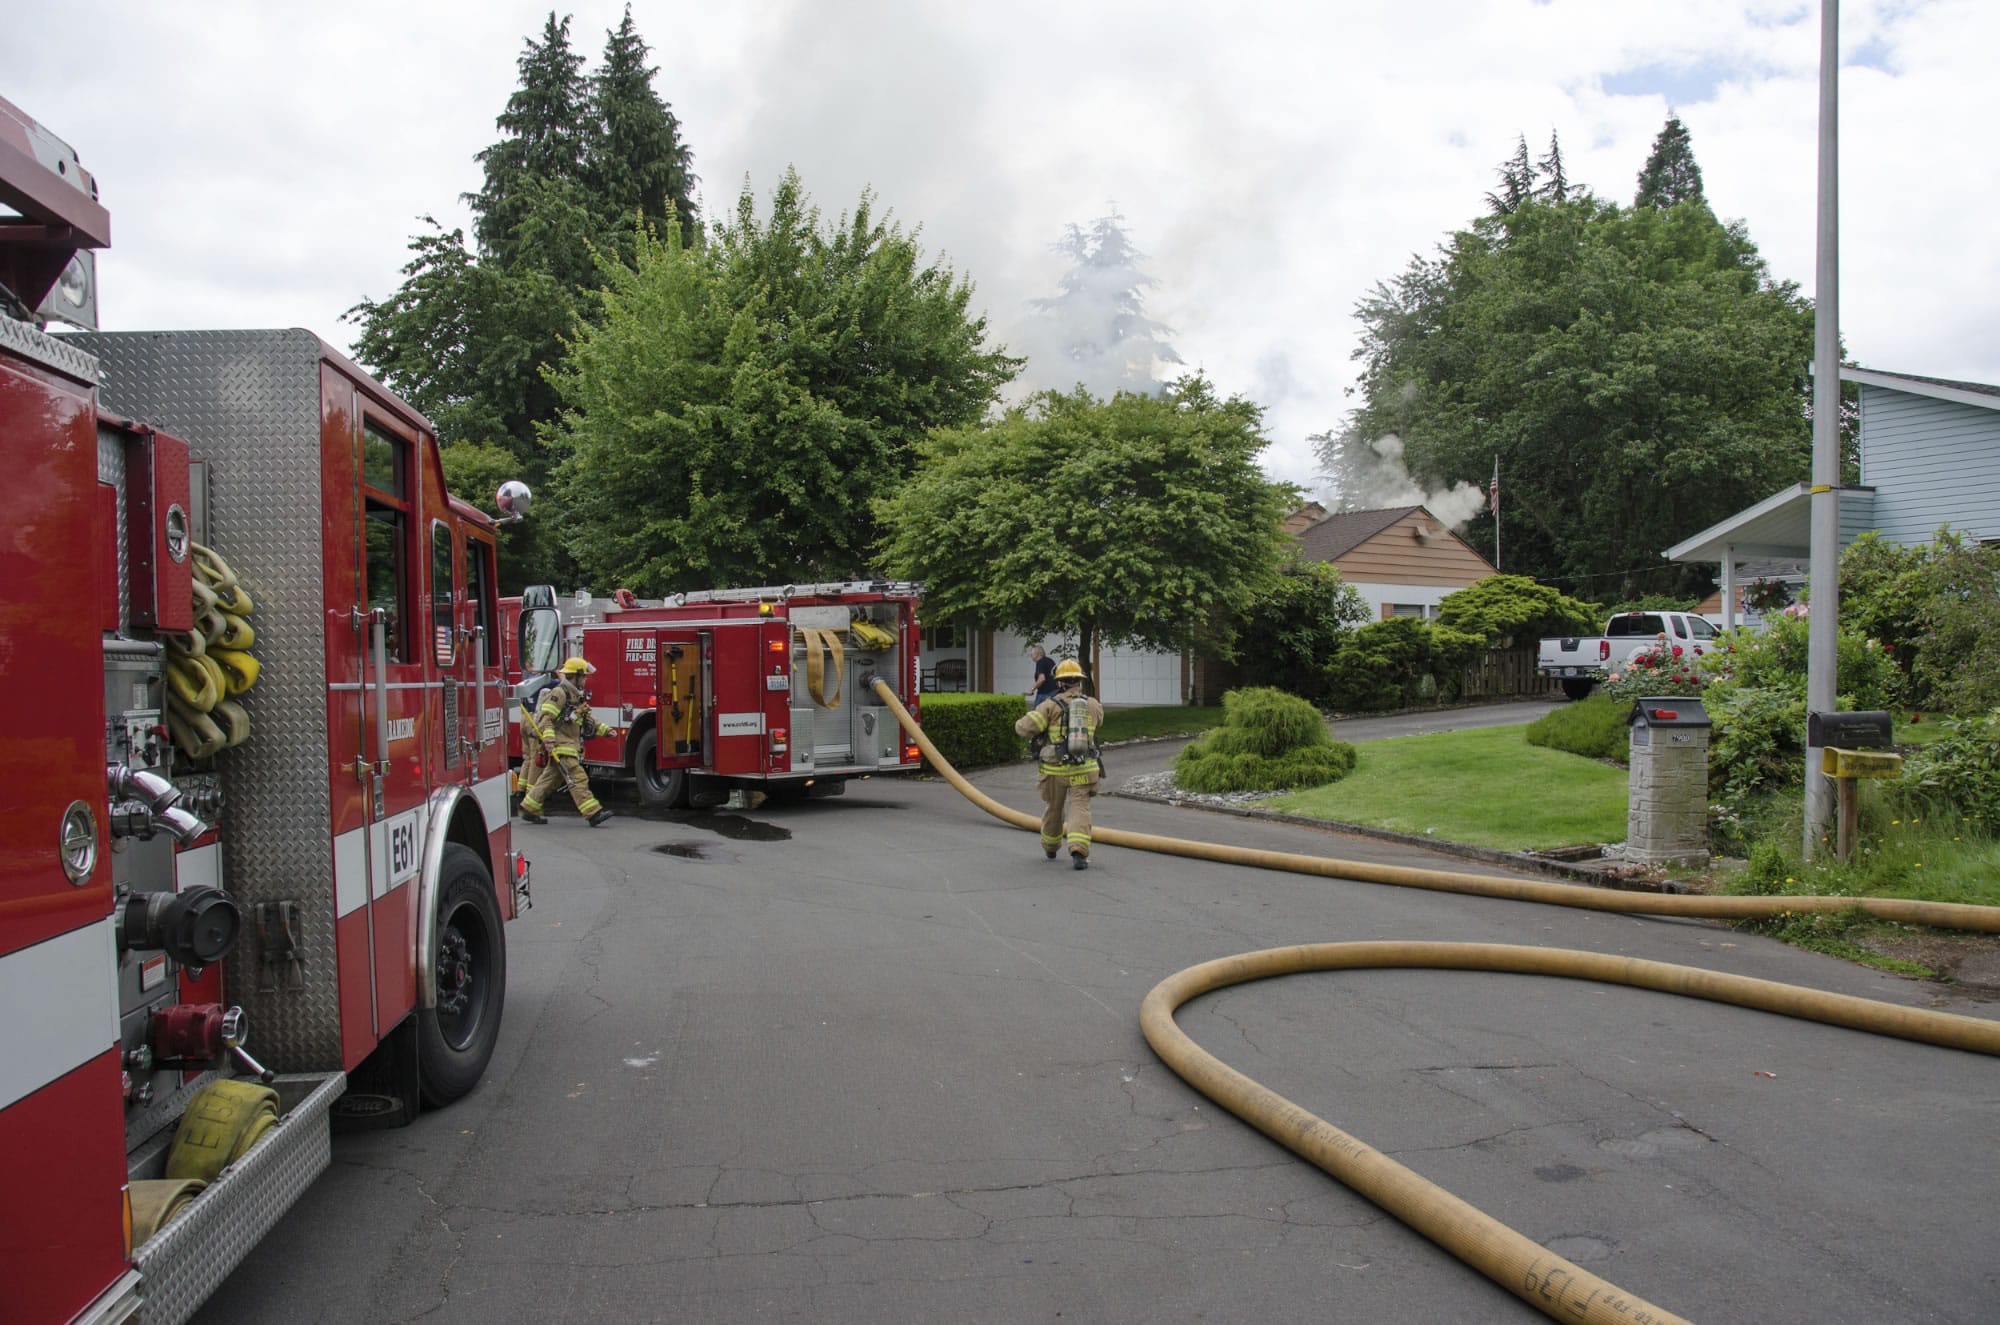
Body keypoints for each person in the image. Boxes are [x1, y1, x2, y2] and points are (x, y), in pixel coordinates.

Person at [1013, 658, 1104, 869]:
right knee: (1080, 807)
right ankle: (1079, 852)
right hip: (1085, 768)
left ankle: (1051, 847)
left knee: (1054, 808)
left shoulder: (1050, 706)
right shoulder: (1093, 704)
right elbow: (1098, 722)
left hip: (1055, 771)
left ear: (1060, 682)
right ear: (1080, 681)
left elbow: (1024, 728)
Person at [519, 656, 615, 827]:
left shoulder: (575, 696)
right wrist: (548, 740)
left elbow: (588, 720)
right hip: (562, 746)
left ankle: (529, 808)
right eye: (583, 676)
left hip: (568, 745)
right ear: (575, 676)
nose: (586, 680)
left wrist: (605, 731)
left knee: (549, 780)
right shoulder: (559, 693)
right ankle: (593, 813)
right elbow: (545, 718)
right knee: (577, 778)